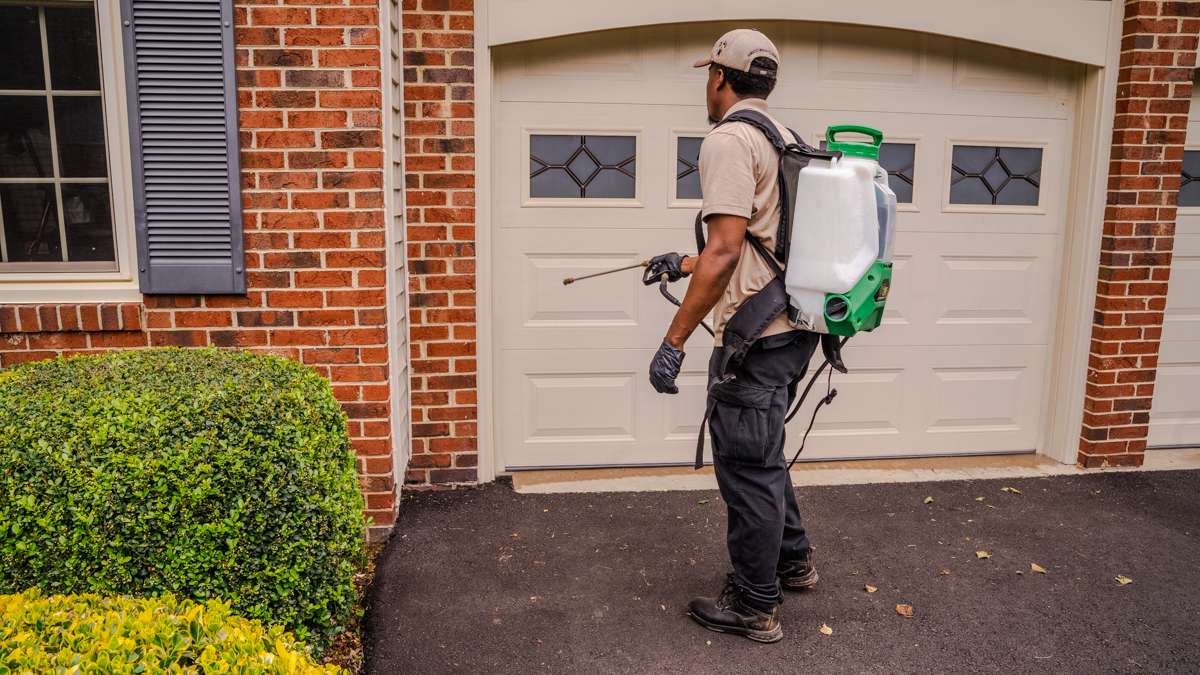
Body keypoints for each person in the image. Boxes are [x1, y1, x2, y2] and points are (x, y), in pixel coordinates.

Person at [645, 28, 819, 644]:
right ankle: (791, 560)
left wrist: (673, 341)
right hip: (796, 327)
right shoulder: (789, 140)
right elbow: (757, 243)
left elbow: (724, 251)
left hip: (754, 335)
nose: (706, 85)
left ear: (720, 77)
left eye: (707, 75)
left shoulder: (727, 140)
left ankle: (753, 604)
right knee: (762, 448)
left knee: (746, 466)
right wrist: (684, 263)